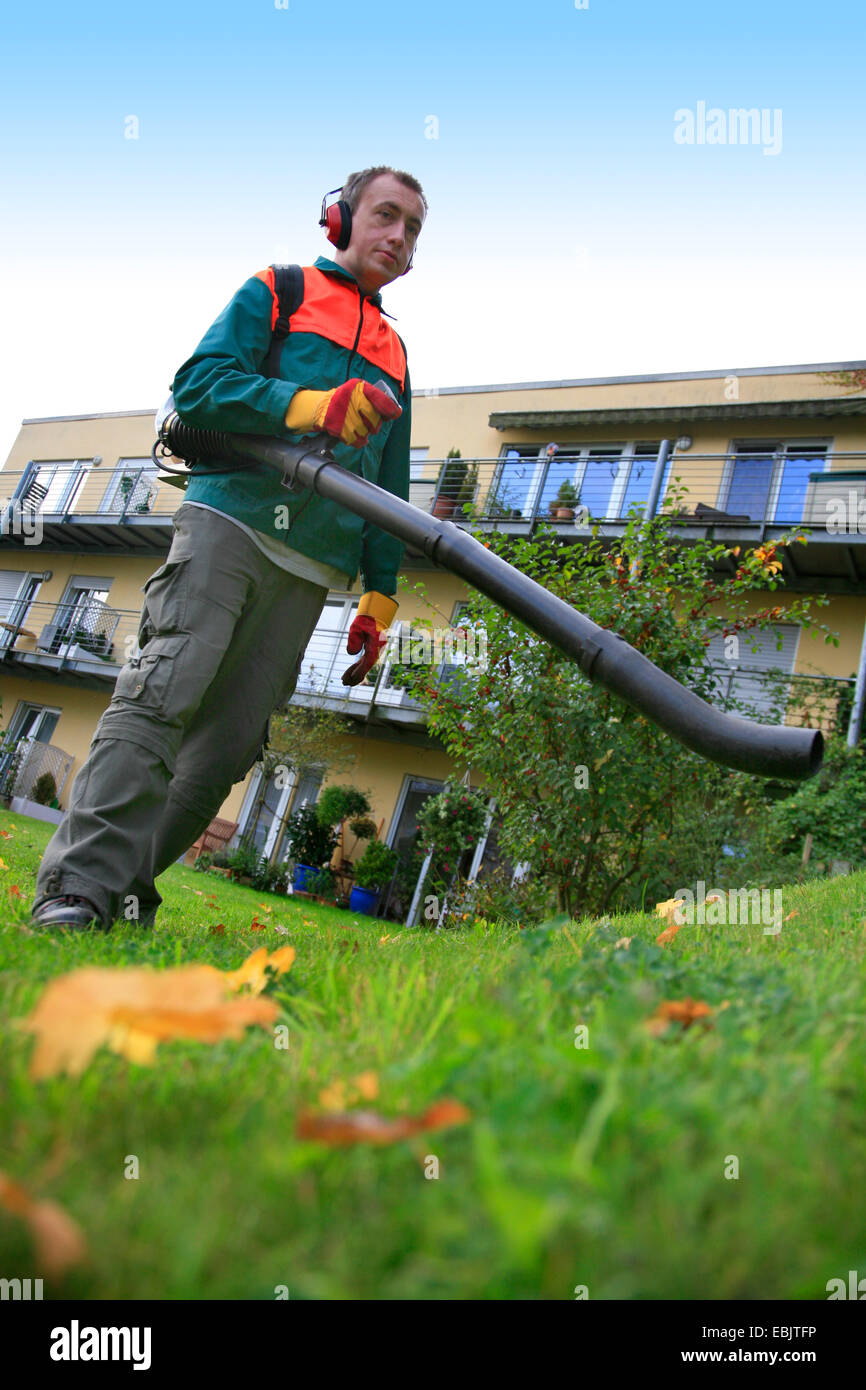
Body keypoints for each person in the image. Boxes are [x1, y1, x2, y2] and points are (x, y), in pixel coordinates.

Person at [30, 165, 428, 931]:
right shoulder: (278, 290)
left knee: (226, 748)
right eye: (386, 216)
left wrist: (379, 596)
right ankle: (77, 888)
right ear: (339, 219)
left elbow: (389, 484)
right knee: (159, 697)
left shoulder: (396, 353)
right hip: (230, 524)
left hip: (310, 568)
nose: (399, 237)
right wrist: (308, 405)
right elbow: (201, 385)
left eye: (413, 228)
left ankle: (123, 890)